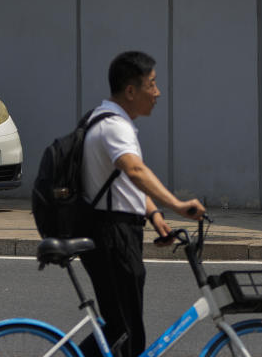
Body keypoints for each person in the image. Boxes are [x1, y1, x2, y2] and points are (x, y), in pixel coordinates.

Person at [79, 51, 205, 357]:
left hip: (113, 231)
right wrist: (178, 205)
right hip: (112, 235)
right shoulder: (114, 127)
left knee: (121, 329)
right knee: (125, 330)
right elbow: (134, 170)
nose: (157, 93)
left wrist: (154, 215)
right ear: (131, 91)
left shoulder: (106, 118)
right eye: (152, 84)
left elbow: (123, 179)